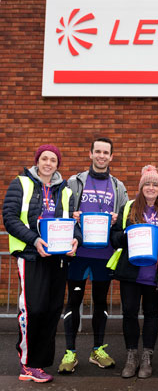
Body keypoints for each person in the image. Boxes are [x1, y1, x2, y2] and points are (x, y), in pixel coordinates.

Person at [3, 144, 81, 383]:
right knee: (32, 309)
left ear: (58, 164)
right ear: (37, 161)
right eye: (44, 159)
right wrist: (34, 240)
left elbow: (71, 221)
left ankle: (41, 364)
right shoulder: (21, 183)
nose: (48, 163)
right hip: (31, 256)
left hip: (57, 259)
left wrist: (76, 238)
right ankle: (27, 363)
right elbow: (9, 217)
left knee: (51, 311)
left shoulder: (64, 189)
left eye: (53, 160)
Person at [58, 137, 128, 374]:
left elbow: (124, 223)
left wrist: (118, 222)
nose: (101, 156)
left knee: (100, 304)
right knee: (73, 302)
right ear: (90, 154)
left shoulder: (118, 187)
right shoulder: (74, 182)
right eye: (97, 151)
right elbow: (62, 213)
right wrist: (73, 217)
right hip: (77, 254)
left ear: (111, 157)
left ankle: (98, 350)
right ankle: (70, 353)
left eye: (105, 152)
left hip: (104, 256)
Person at [110, 165, 158, 379]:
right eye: (147, 184)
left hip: (156, 273)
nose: (151, 188)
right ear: (141, 187)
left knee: (151, 315)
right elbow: (114, 239)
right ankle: (131, 356)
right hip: (131, 272)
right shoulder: (129, 207)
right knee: (129, 313)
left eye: (155, 185)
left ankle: (147, 357)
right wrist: (129, 234)